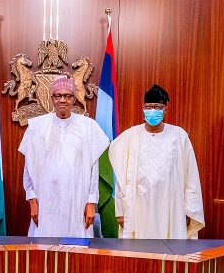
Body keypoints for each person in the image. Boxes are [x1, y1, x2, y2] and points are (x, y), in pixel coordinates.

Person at [109, 84, 205, 239]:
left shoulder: (179, 136)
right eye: (149, 107)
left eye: (157, 107)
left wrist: (190, 210)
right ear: (143, 109)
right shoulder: (130, 136)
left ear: (165, 110)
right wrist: (121, 211)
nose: (152, 111)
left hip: (171, 209)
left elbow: (191, 177)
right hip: (138, 209)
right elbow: (120, 177)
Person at [19, 76, 110, 237]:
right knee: (45, 249)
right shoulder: (36, 127)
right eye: (58, 95)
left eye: (67, 96)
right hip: (46, 201)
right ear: (52, 98)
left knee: (75, 252)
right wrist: (32, 200)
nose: (63, 100)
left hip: (76, 200)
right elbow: (29, 167)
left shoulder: (88, 127)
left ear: (74, 99)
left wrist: (91, 202)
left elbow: (93, 168)